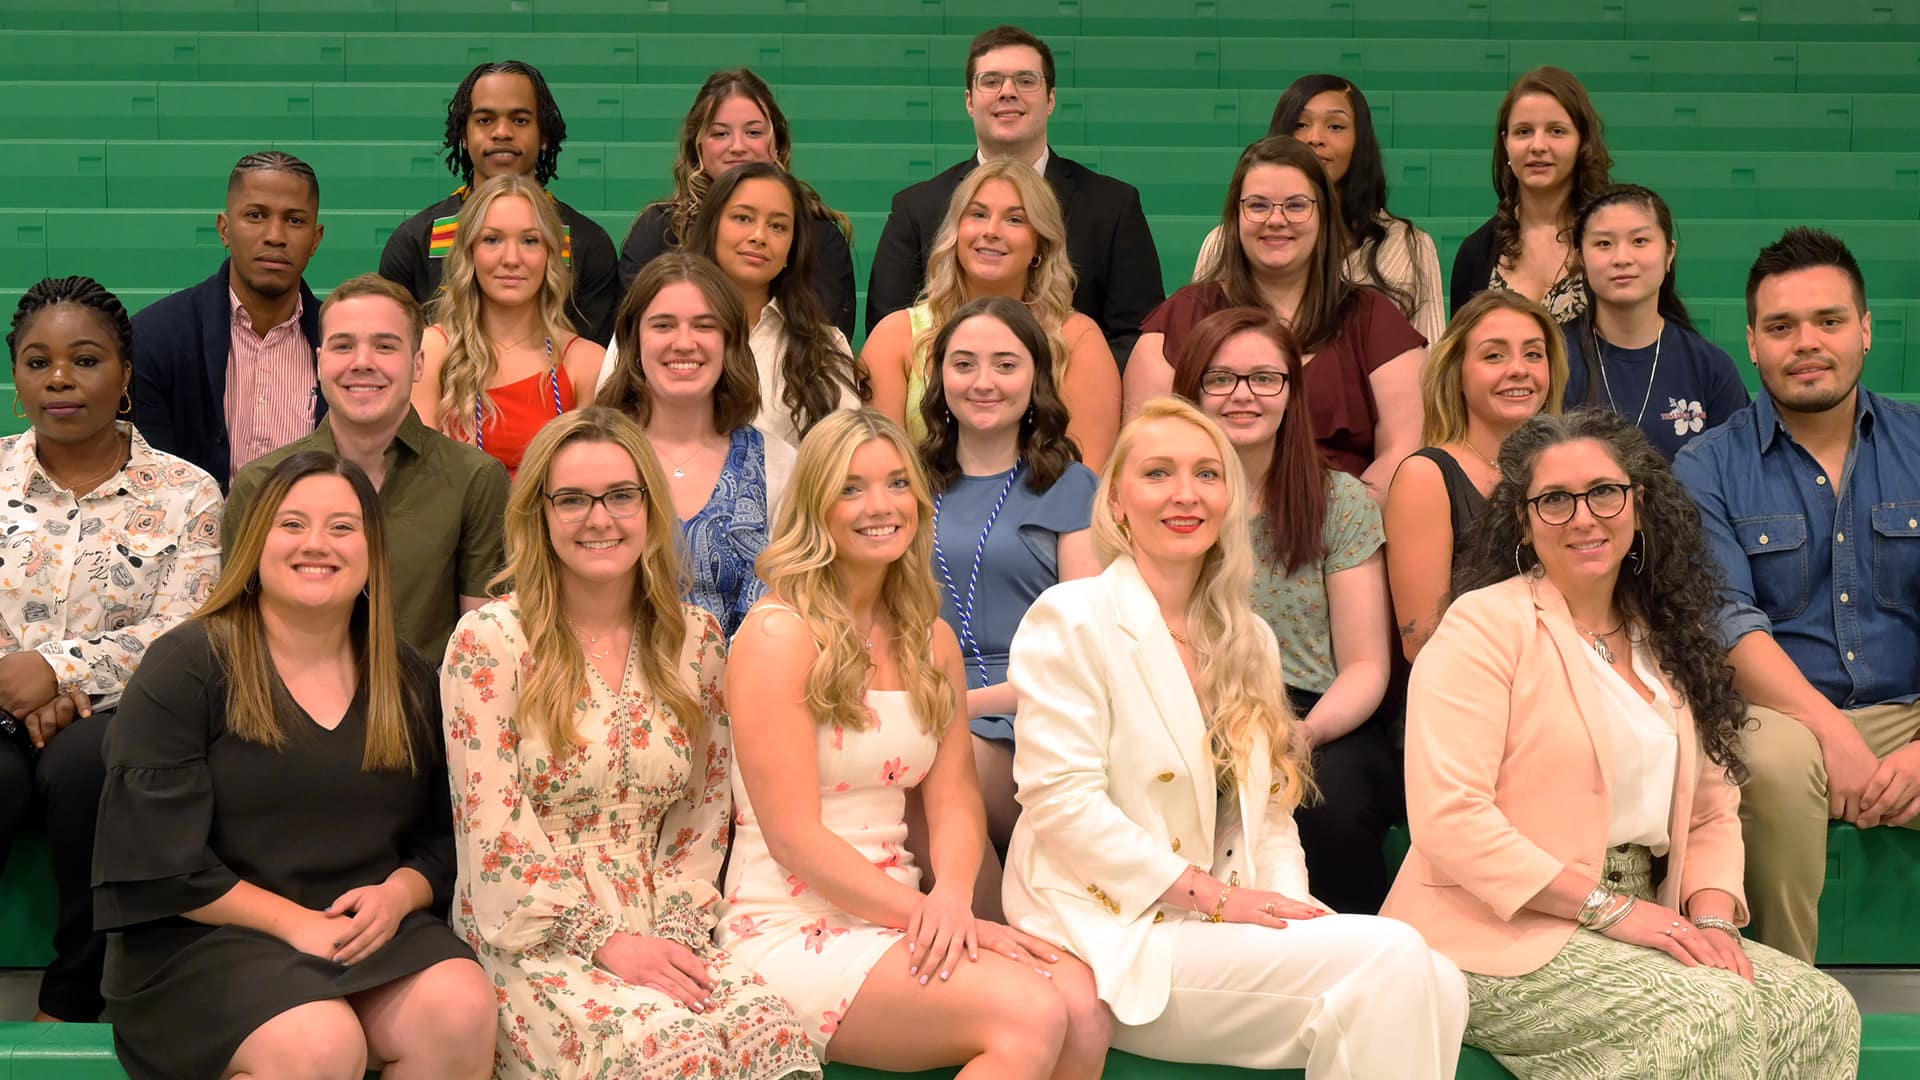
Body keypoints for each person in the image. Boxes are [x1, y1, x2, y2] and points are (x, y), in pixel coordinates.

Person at [1386, 409, 1860, 1078]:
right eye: (1555, 500)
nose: (1584, 517)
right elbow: (1449, 819)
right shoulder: (1482, 627)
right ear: (1523, 521)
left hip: (1642, 915)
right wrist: (1612, 911)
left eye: (1604, 492)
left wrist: (1716, 923)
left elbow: (1711, 808)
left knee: (1820, 1005)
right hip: (1495, 934)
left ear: (1638, 502)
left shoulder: (1666, 634)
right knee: (1709, 1013)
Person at [1004, 397, 1467, 1074]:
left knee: (1437, 977)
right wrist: (1220, 900)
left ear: (1230, 498)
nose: (1185, 494)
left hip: (1212, 920)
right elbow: (1062, 807)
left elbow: (1269, 815)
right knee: (1394, 955)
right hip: (1108, 928)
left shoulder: (1247, 637)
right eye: (1158, 473)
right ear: (1119, 503)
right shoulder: (1071, 617)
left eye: (1207, 475)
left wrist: (1291, 907)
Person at [716, 409, 1110, 1078]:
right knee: (1031, 1012)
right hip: (791, 922)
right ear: (816, 507)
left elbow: (955, 798)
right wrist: (931, 915)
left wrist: (954, 898)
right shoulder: (778, 635)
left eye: (899, 483)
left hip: (909, 909)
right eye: (852, 488)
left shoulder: (932, 642)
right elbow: (792, 838)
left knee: (1083, 1003)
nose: (881, 506)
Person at [94, 452, 495, 1080]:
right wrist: (298, 926)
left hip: (361, 929)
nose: (317, 544)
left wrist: (398, 894)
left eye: (342, 527)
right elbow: (158, 863)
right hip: (205, 938)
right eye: (291, 524)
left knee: (460, 1005)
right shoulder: (186, 667)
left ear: (372, 552)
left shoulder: (408, 676)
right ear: (255, 544)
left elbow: (442, 840)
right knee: (319, 1042)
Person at [441, 408, 817, 1078]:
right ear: (540, 514)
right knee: (674, 1052)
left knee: (768, 1034)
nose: (599, 518)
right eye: (573, 500)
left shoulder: (694, 640)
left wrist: (669, 934)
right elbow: (492, 838)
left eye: (620, 495)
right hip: (532, 935)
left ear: (649, 507)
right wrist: (609, 943)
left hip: (659, 920)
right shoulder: (491, 641)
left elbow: (701, 817)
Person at [1674, 227, 1920, 963]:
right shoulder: (1707, 464)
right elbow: (1724, 624)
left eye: (1829, 321)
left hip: (1909, 711)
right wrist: (1834, 736)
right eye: (1781, 327)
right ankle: (1787, 999)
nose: (1805, 342)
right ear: (1752, 343)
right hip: (1780, 713)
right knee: (1775, 764)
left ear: (1866, 330)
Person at [0, 277, 222, 1025]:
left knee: (87, 765)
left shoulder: (187, 493)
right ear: (17, 377)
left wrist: (57, 671)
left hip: (121, 710)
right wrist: (17, 682)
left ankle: (73, 1001)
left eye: (84, 359)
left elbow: (182, 626)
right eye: (38, 362)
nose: (59, 378)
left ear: (125, 375)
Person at [1171, 307, 1400, 915]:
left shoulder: (1339, 502)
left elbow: (1366, 664)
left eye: (1264, 378)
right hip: (1184, 701)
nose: (1241, 395)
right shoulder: (1166, 500)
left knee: (1336, 801)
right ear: (1191, 391)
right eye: (1219, 379)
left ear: (1291, 393)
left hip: (1315, 711)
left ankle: (1346, 961)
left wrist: (1304, 735)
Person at [917, 296, 1100, 909]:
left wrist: (953, 704)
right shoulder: (908, 481)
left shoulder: (1069, 485)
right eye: (964, 364)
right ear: (940, 377)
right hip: (925, 694)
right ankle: (993, 942)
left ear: (1036, 378)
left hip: (1033, 706)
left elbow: (1083, 649)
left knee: (935, 760)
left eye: (1005, 364)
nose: (984, 382)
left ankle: (991, 939)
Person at [1125, 136, 1427, 502]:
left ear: (1324, 216)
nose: (1276, 220)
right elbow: (1143, 452)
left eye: (1297, 205)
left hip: (1341, 538)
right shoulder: (1179, 319)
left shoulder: (1375, 320)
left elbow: (1402, 454)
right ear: (1235, 216)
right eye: (1258, 205)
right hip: (1206, 529)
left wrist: (1337, 527)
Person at [226, 274, 510, 661]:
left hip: (426, 716)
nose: (362, 363)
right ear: (319, 361)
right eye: (343, 346)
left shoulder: (475, 479)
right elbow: (238, 633)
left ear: (417, 364)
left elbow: (481, 646)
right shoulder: (261, 483)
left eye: (385, 346)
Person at [866, 24, 1163, 362]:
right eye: (991, 81)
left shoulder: (1113, 206)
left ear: (1051, 99)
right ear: (969, 101)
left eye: (1026, 80)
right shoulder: (915, 208)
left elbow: (1138, 337)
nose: (1007, 92)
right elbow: (889, 328)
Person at [863, 159, 1121, 470]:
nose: (991, 231)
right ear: (956, 231)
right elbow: (878, 472)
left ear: (1040, 242)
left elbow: (1084, 483)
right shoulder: (896, 337)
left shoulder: (1078, 338)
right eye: (978, 214)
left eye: (1014, 219)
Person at [599, 253, 795, 636]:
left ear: (730, 342)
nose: (684, 343)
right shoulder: (592, 458)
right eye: (663, 325)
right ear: (634, 339)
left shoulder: (779, 463)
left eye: (705, 326)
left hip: (747, 688)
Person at [601, 161, 861, 449]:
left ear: (793, 246)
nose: (759, 236)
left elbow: (843, 458)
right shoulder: (649, 328)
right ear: (712, 227)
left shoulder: (824, 345)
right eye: (743, 218)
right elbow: (609, 432)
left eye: (778, 226)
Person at [1194, 74, 1445, 345]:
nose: (1315, 138)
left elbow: (1431, 369)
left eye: (1336, 126)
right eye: (1300, 124)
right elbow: (1198, 354)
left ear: (1360, 142)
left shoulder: (1411, 245)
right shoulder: (1225, 240)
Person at [380, 60, 619, 344]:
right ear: (464, 136)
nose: (502, 132)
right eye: (484, 120)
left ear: (543, 135)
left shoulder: (587, 243)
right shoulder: (414, 241)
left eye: (520, 120)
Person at [1386, 290, 1568, 661]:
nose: (1519, 369)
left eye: (1533, 354)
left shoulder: (1570, 469)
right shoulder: (1425, 476)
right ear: (1457, 374)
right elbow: (1421, 641)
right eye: (1494, 355)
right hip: (1468, 698)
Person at [131, 150, 325, 488]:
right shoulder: (155, 337)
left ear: (316, 239)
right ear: (224, 229)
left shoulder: (341, 338)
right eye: (255, 215)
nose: (275, 235)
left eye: (294, 220)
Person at [618, 68, 857, 338]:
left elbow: (826, 343)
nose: (738, 146)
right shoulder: (657, 229)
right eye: (720, 134)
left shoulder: (818, 235)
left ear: (777, 144)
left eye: (754, 132)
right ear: (698, 147)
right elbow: (633, 338)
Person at [413, 173, 605, 479]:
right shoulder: (431, 351)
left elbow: (592, 485)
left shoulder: (587, 362)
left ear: (550, 255)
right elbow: (420, 482)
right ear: (469, 251)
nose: (511, 258)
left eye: (530, 241)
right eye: (492, 239)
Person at [1561, 184, 1748, 459]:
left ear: (1669, 253)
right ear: (1580, 257)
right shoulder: (1552, 357)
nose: (1622, 259)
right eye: (1603, 244)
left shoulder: (1711, 368)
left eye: (1640, 241)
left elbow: (1737, 473)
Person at [1448, 66, 1613, 320]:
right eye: (1524, 131)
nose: (1538, 146)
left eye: (1556, 131)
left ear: (1582, 141)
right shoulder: (1475, 253)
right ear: (1506, 143)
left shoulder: (1616, 242)